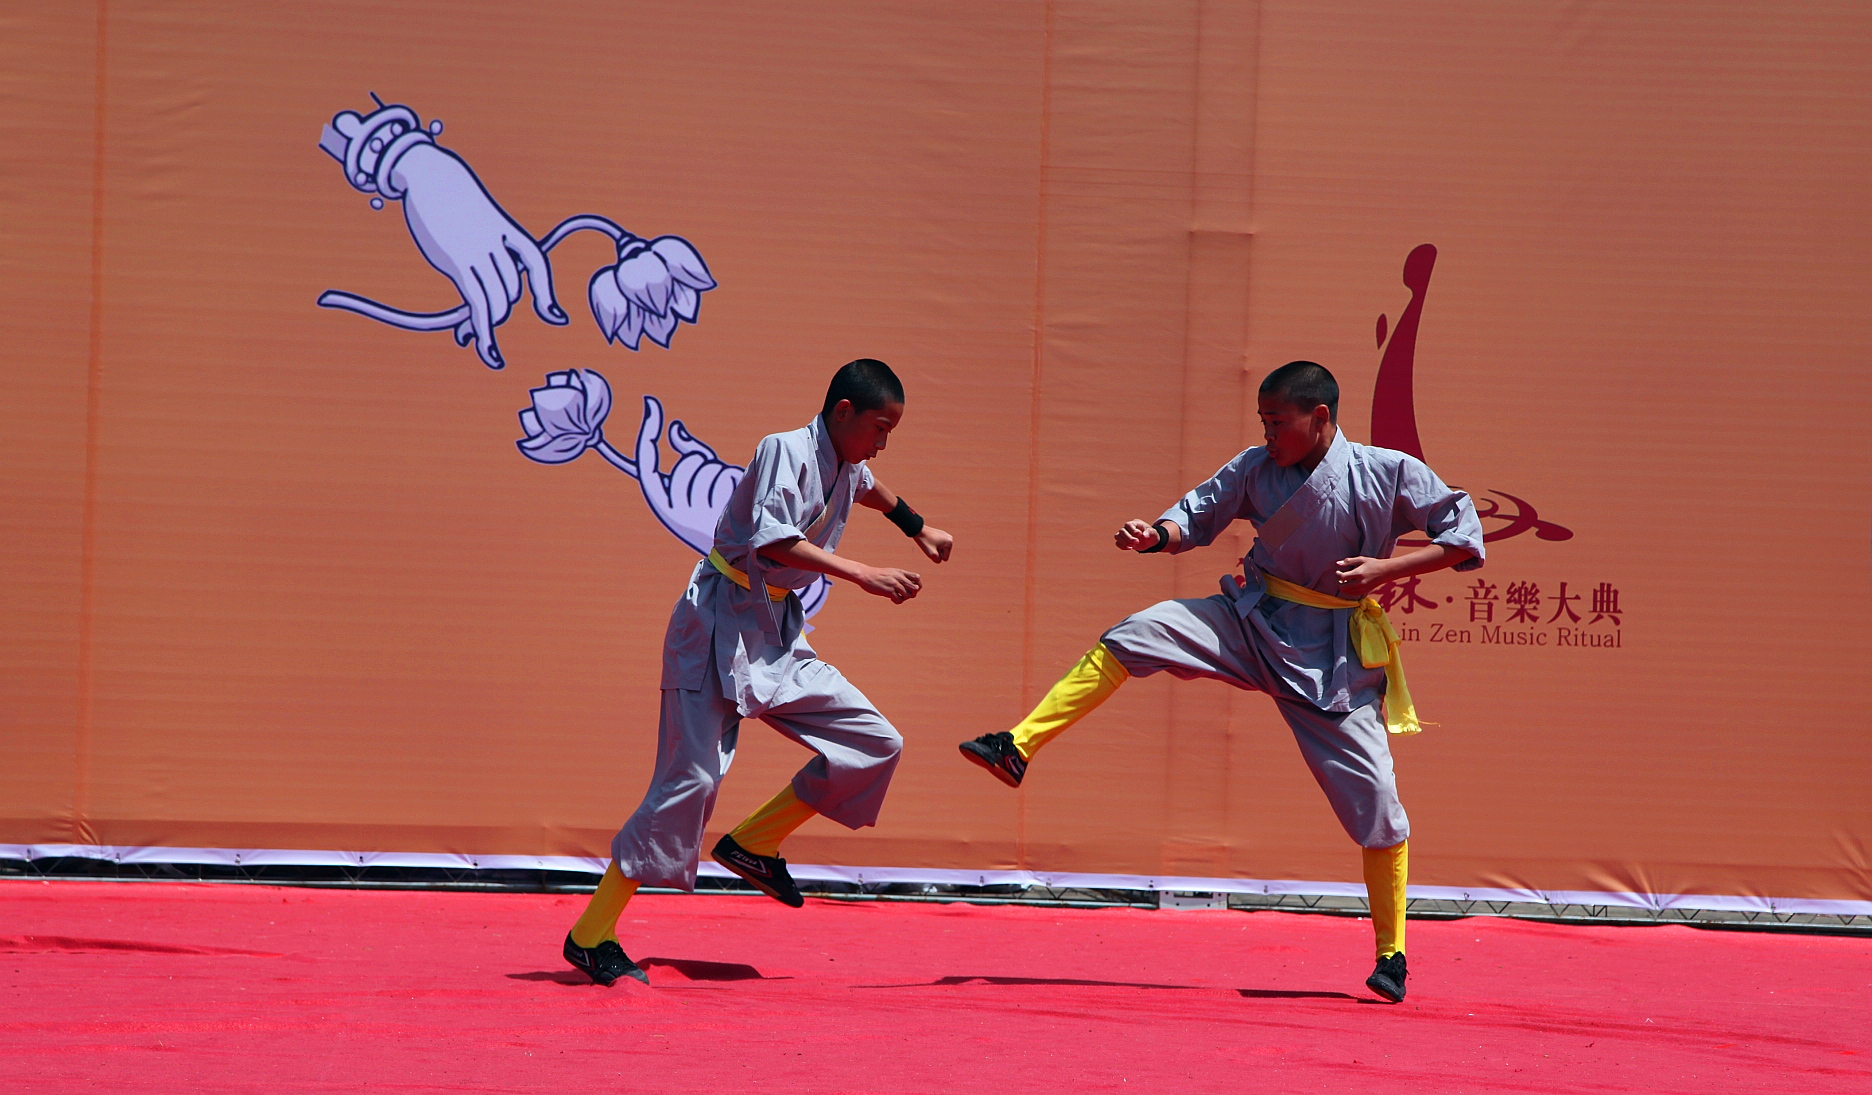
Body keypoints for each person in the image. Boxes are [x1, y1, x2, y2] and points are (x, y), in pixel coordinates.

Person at [957, 361, 1482, 1003]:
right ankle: (1017, 745)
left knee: (1377, 803)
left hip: (1331, 659)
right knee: (1137, 632)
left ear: (1319, 418)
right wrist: (1157, 535)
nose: (1267, 434)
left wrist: (1388, 568)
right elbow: (1198, 515)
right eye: (1262, 421)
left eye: (1277, 422)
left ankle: (1392, 953)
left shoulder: (1386, 471)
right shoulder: (1256, 468)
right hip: (1251, 619)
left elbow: (1463, 535)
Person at [564, 358, 954, 986]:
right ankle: (591, 934)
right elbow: (772, 543)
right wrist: (864, 574)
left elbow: (870, 486)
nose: (883, 442)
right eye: (880, 428)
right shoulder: (784, 449)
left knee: (876, 742)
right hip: (715, 622)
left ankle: (754, 844)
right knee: (688, 781)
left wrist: (918, 527)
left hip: (774, 633)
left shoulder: (845, 463)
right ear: (843, 412)